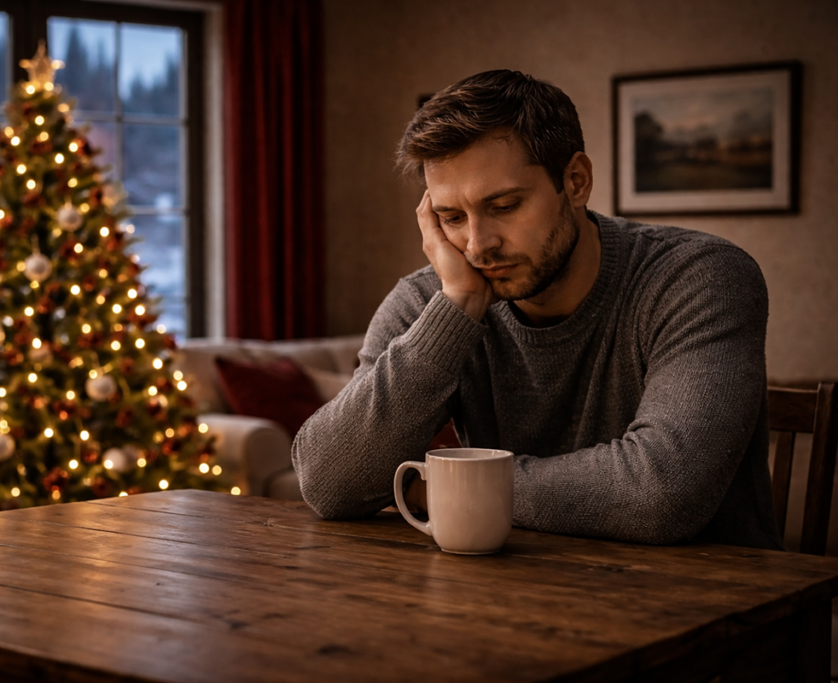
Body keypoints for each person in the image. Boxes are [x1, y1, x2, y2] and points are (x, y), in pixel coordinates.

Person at [292, 69, 783, 549]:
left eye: (504, 206)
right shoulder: (435, 298)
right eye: (452, 217)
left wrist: (449, 486)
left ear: (576, 181)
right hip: (509, 591)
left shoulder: (699, 276)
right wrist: (457, 308)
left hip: (707, 596)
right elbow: (328, 483)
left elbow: (661, 493)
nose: (478, 245)